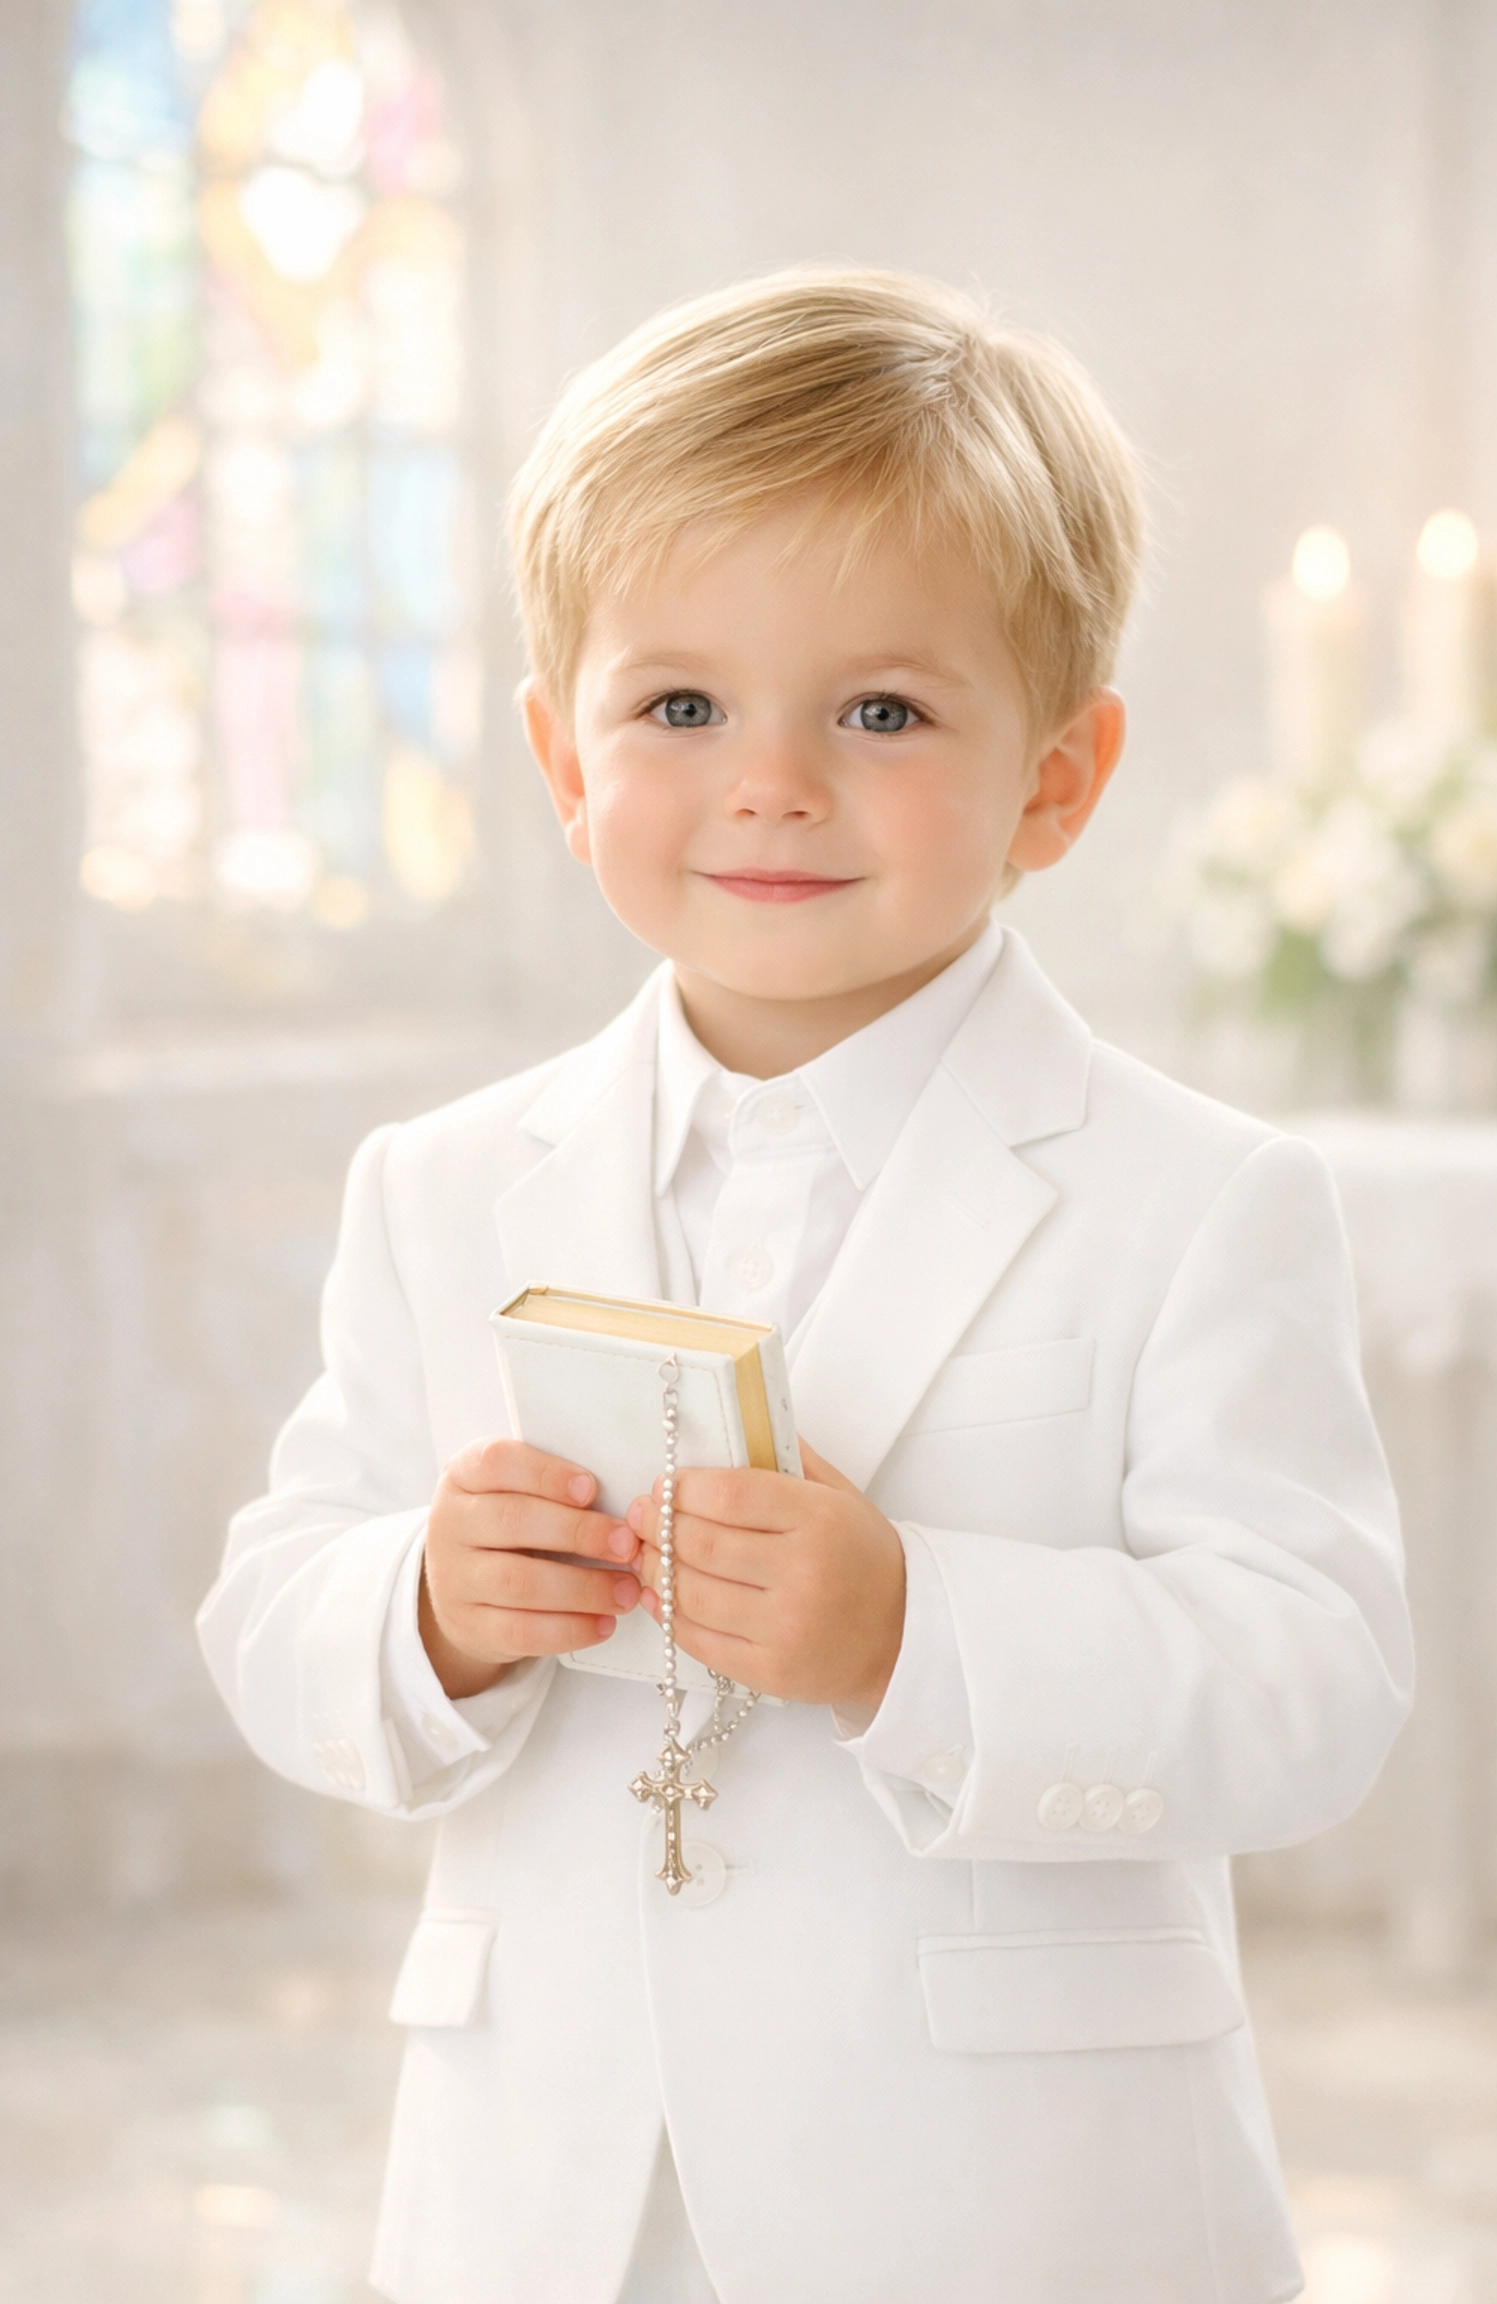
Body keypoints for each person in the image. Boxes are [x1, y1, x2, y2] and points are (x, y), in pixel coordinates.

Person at [198, 267, 1412, 2304]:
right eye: (678, 707)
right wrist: (419, 1611)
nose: (769, 782)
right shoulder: (438, 1189)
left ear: (1057, 777)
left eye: (881, 710)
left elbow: (1315, 1687)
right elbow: (271, 1606)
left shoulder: (1198, 1201)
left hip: (1014, 2214)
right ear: (562, 759)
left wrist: (914, 1632)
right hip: (549, 2206)